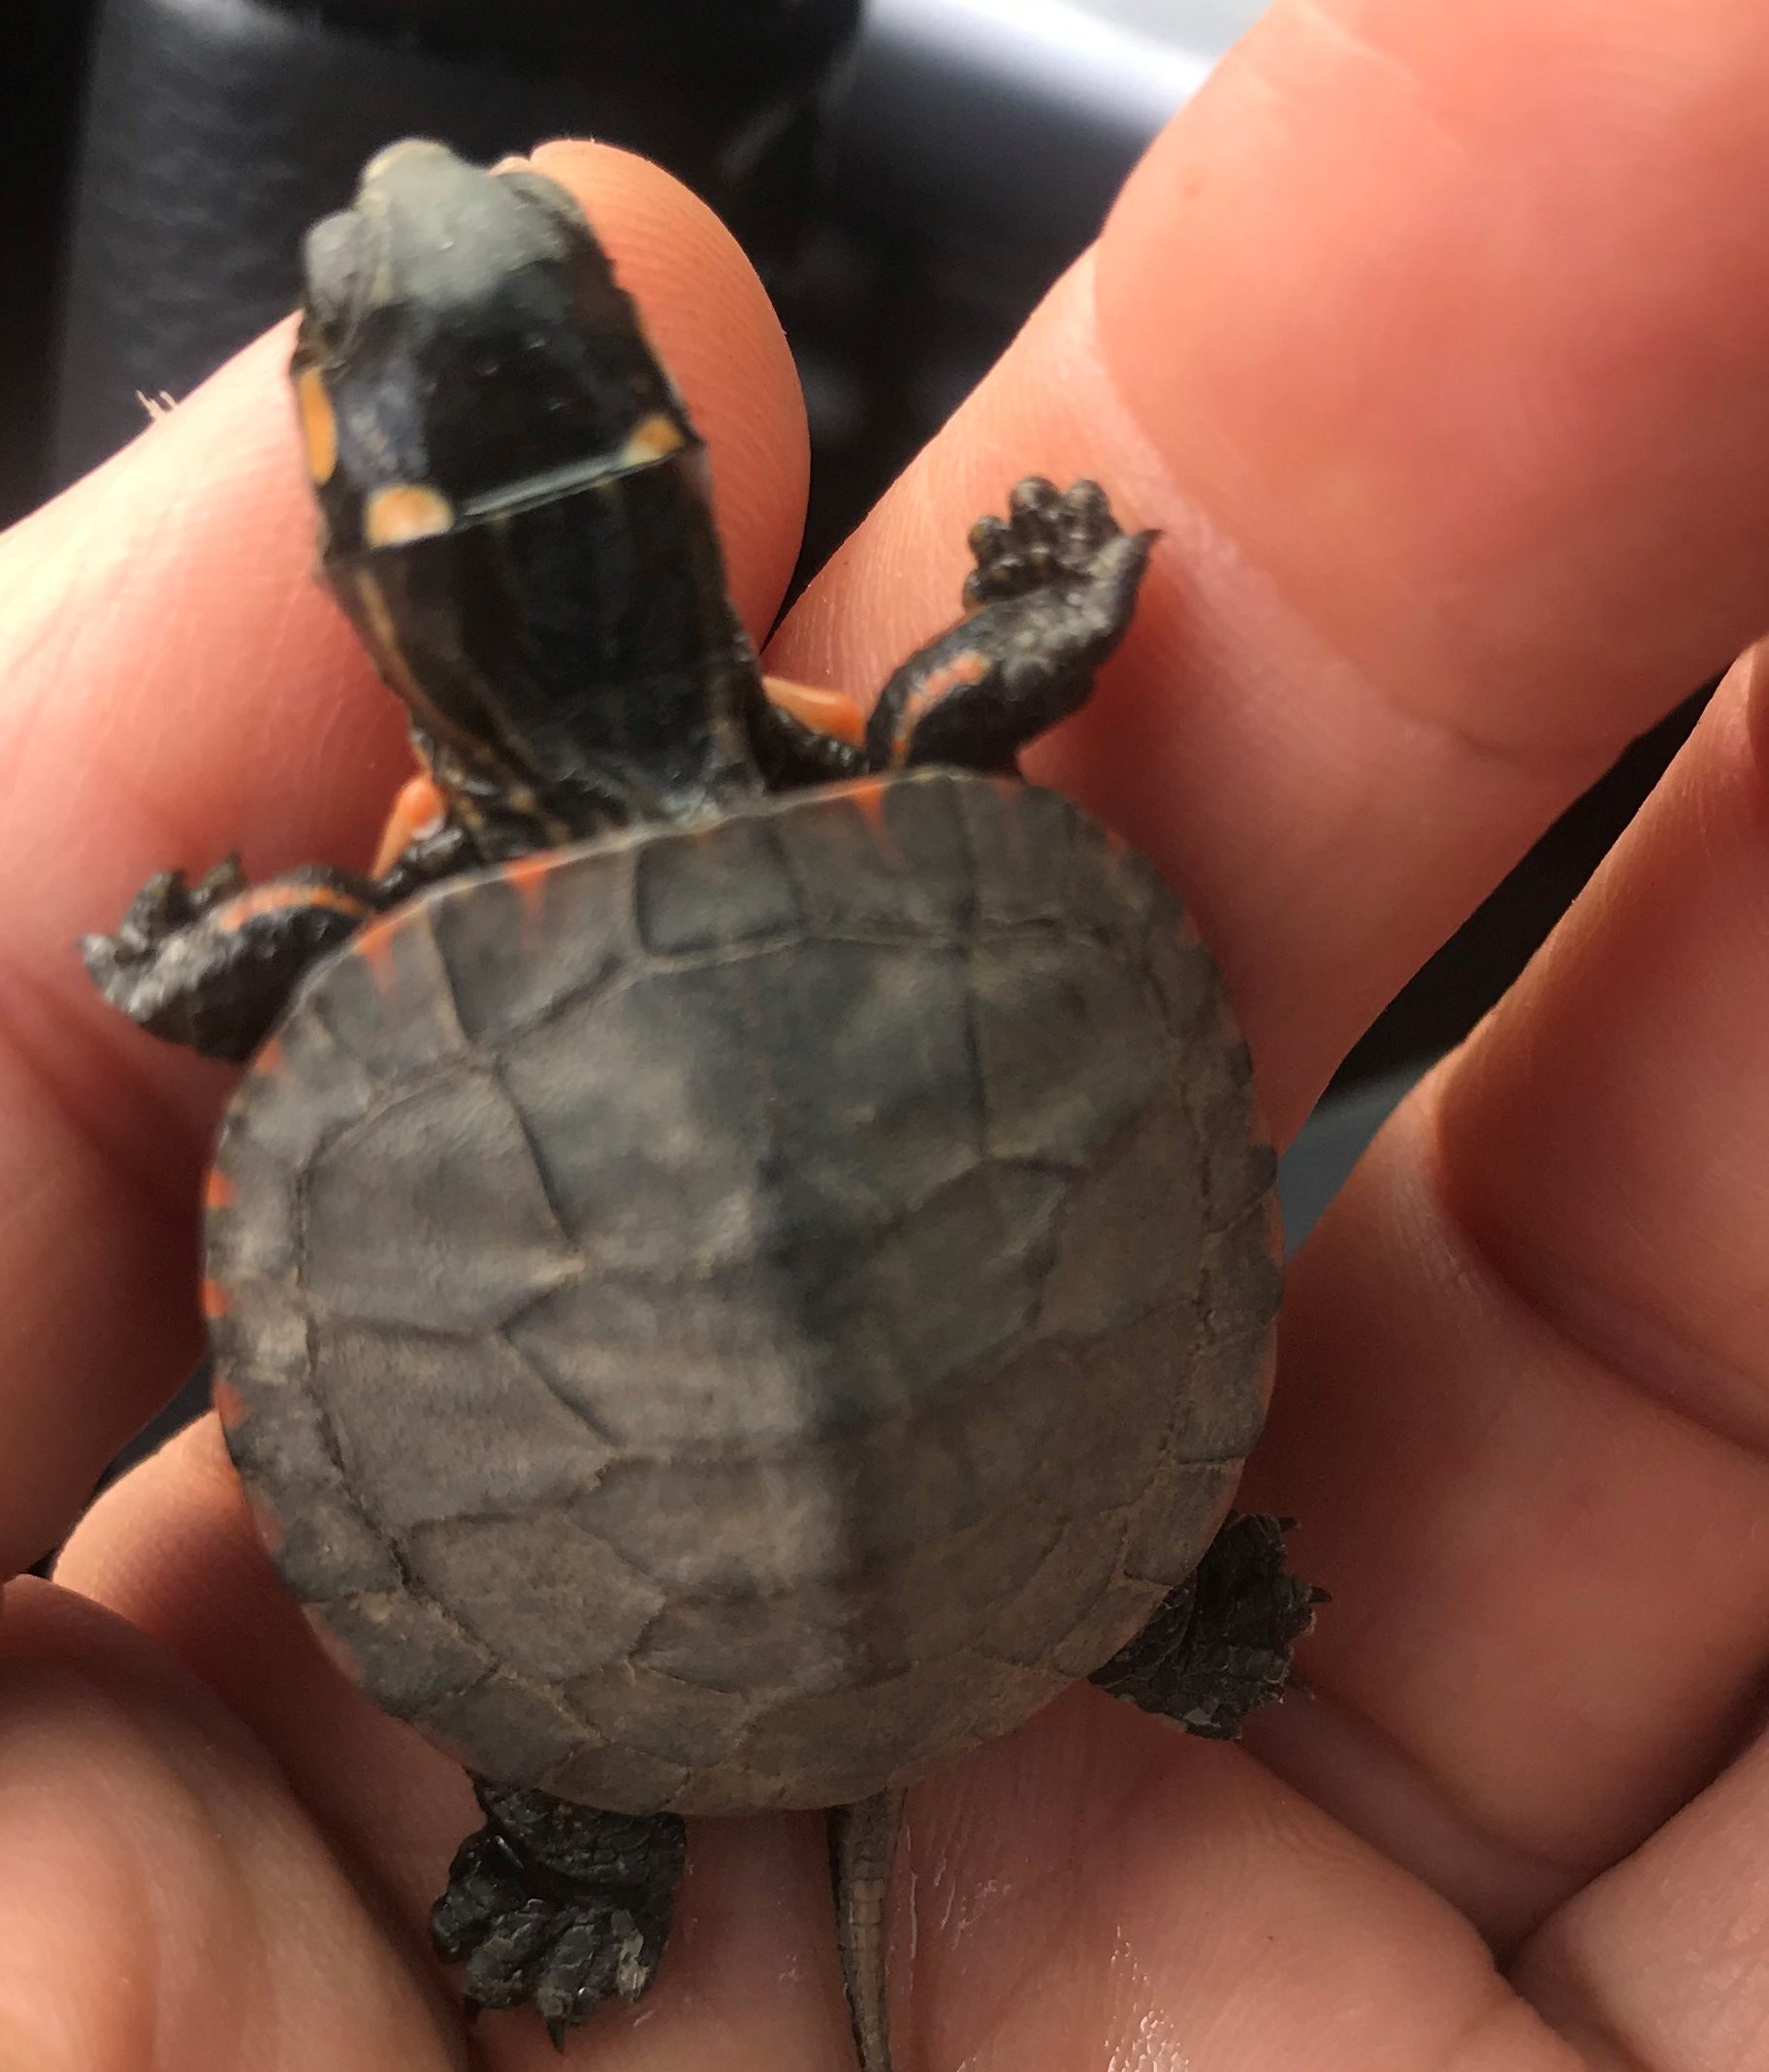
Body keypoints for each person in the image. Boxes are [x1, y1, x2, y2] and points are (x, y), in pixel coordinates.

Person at [1, 2, 1763, 2061]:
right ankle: (1153, 1615)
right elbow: (1020, 671)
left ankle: (592, 1843)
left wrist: (170, 960)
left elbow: (229, 990)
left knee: (583, 1724)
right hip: (1054, 1546)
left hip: (625, 1651)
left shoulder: (354, 947)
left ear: (373, 582)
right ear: (667, 463)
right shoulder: (908, 752)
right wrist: (1069, 585)